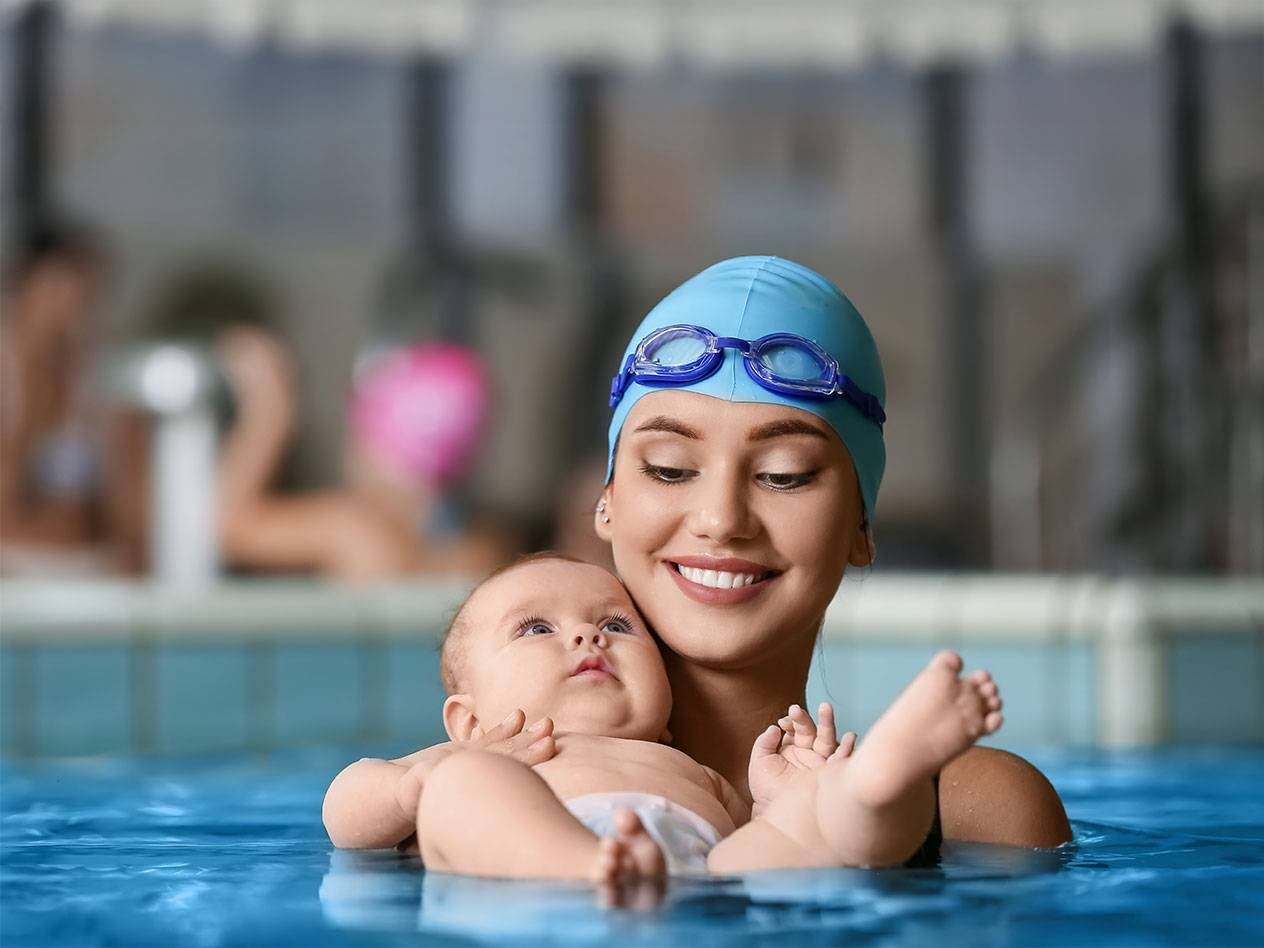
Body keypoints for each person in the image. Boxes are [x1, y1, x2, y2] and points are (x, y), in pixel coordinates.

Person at [590, 255, 1070, 848]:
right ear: (607, 500)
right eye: (669, 468)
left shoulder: (974, 813)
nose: (721, 521)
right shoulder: (504, 788)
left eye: (784, 475)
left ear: (860, 526)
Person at [324, 552, 1004, 879]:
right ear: (468, 720)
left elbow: (752, 835)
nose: (586, 637)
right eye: (536, 629)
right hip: (542, 867)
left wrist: (781, 800)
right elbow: (345, 812)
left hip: (699, 873)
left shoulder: (685, 767)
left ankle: (879, 779)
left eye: (616, 625)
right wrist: (414, 787)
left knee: (816, 822)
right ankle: (591, 867)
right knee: (462, 791)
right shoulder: (474, 756)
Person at [0, 217, 147, 575]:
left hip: (85, 569)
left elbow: (131, 511)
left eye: (84, 295)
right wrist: (38, 378)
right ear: (21, 291)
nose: (69, 311)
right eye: (55, 292)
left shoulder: (104, 380)